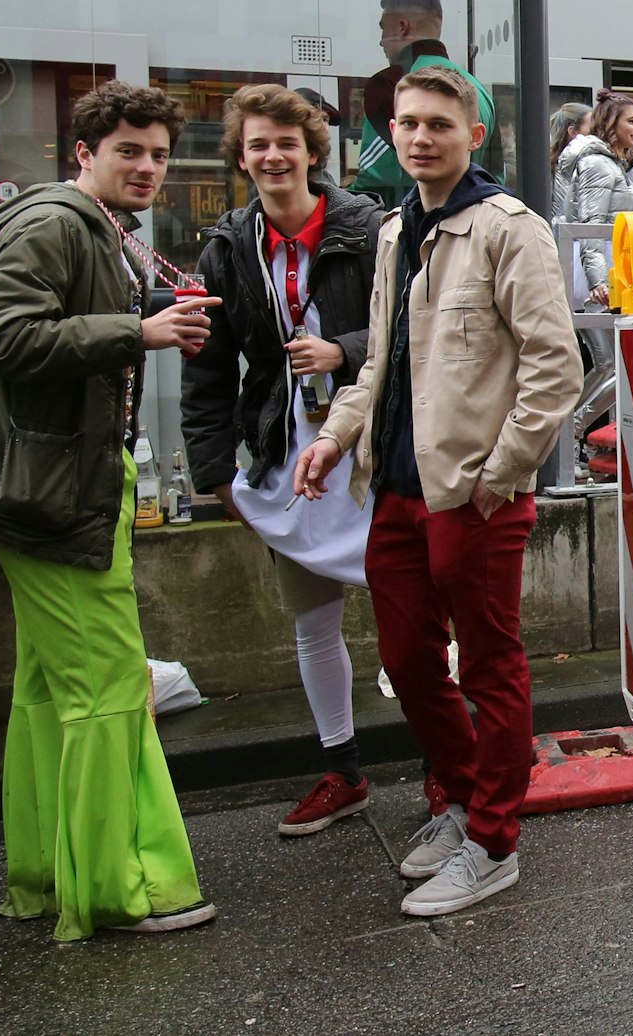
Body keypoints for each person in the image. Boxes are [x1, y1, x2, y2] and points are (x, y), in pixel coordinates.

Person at [293, 64, 582, 917]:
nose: (421, 137)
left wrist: (501, 475)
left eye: (438, 126)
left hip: (472, 494)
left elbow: (554, 365)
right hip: (396, 489)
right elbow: (380, 361)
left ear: (473, 136)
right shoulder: (395, 232)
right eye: (408, 124)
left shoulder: (506, 228)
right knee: (407, 659)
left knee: (490, 666)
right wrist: (336, 435)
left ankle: (494, 842)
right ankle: (458, 801)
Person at [0, 80, 220, 940]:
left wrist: (141, 316)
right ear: (84, 155)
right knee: (106, 686)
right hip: (50, 494)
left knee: (48, 686)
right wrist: (138, 332)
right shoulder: (58, 223)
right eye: (128, 152)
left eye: (158, 155)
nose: (146, 168)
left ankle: (48, 870)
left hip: (42, 487)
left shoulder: (80, 226)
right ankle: (120, 885)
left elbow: (36, 328)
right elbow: (4, 338)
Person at [182, 85, 384, 835]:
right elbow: (207, 371)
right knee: (312, 621)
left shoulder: (368, 228)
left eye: (286, 143)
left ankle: (443, 772)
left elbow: (409, 329)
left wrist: (344, 350)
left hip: (369, 450)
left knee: (409, 617)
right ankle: (344, 771)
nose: (272, 156)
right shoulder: (226, 247)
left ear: (311, 152)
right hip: (288, 455)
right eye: (258, 144)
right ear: (241, 155)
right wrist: (212, 474)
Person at [354, 0, 496, 206]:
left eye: (383, 29)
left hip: (413, 226)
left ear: (402, 27)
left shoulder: (391, 83)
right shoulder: (479, 89)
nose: (381, 40)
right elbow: (496, 172)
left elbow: (376, 177)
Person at [552, 91, 633, 366]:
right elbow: (592, 223)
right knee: (612, 366)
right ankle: (580, 412)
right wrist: (598, 281)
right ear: (611, 125)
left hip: (607, 271)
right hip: (600, 276)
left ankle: (582, 412)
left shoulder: (608, 163)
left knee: (613, 366)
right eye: (631, 121)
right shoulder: (599, 164)